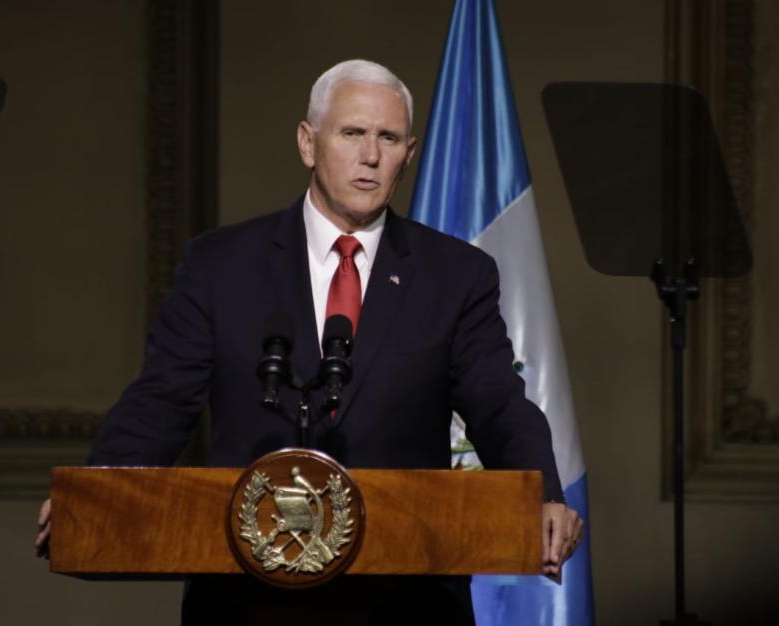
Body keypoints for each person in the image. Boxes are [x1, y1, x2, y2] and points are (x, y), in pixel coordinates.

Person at [36, 59, 583, 625]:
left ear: (409, 153)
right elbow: (161, 400)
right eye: (352, 133)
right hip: (247, 598)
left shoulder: (456, 274)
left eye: (388, 138)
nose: (370, 155)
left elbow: (497, 402)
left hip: (405, 601)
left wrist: (545, 493)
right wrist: (94, 496)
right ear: (308, 142)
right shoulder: (222, 265)